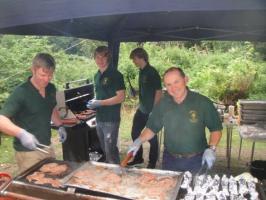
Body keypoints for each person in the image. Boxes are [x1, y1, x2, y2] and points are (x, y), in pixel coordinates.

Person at [128, 67, 222, 173]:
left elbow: (216, 129)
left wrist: (211, 148)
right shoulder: (163, 104)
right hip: (170, 160)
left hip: (196, 160)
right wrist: (139, 140)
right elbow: (152, 128)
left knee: (194, 189)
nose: (173, 88)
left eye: (176, 82)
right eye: (169, 85)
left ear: (185, 80)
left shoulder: (203, 103)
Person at [0, 53, 68, 173]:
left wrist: (60, 125)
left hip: (47, 146)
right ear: (33, 70)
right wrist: (21, 133)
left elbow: (51, 108)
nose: (47, 79)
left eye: (50, 75)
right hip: (27, 152)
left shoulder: (51, 88)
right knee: (35, 187)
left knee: (54, 181)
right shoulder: (21, 92)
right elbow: (1, 120)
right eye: (43, 74)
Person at [86, 46, 125, 164]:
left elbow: (121, 97)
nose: (100, 60)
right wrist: (94, 101)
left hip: (111, 119)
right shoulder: (97, 75)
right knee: (106, 149)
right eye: (97, 57)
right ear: (94, 58)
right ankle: (118, 170)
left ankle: (113, 177)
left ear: (108, 58)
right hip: (100, 118)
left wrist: (100, 103)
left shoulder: (115, 74)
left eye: (103, 57)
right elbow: (101, 95)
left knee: (109, 151)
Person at [127, 48, 162, 169]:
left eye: (134, 59)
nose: (133, 62)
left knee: (151, 137)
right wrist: (135, 92)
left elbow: (158, 91)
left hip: (151, 110)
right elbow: (145, 90)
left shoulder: (152, 72)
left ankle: (152, 163)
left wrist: (155, 110)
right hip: (141, 109)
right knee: (135, 133)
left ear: (141, 57)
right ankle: (138, 158)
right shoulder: (141, 71)